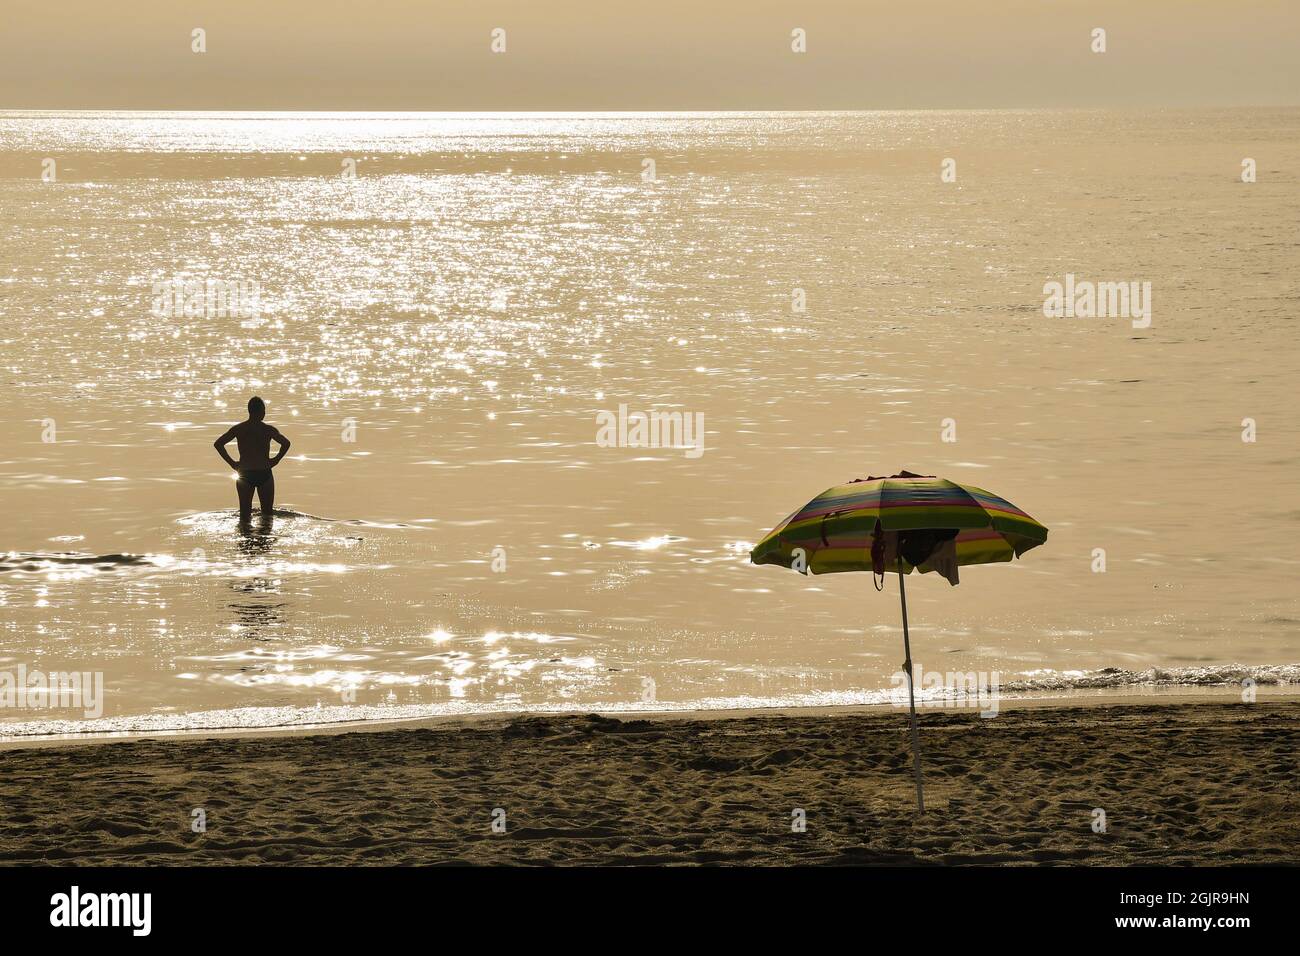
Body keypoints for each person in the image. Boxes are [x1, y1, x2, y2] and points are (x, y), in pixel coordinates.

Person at [213, 397, 291, 523]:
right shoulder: (268, 429)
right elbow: (286, 443)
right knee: (267, 514)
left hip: (245, 473)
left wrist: (232, 463)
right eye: (264, 410)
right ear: (261, 411)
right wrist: (276, 460)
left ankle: (245, 538)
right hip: (264, 472)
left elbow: (218, 444)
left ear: (249, 411)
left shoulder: (239, 429)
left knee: (244, 515)